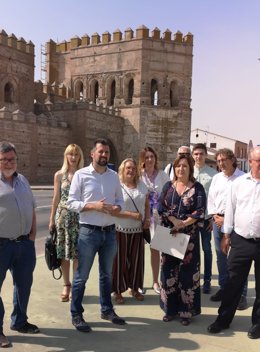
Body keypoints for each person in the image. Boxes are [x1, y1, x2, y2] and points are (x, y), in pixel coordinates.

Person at [67, 138, 125, 332]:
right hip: (88, 232)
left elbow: (120, 201)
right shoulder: (81, 175)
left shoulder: (114, 176)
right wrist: (93, 206)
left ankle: (107, 310)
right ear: (92, 154)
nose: (104, 155)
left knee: (106, 275)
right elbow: (71, 203)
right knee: (81, 276)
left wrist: (117, 208)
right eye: (100, 152)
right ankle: (76, 314)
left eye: (106, 152)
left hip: (109, 233)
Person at [208, 146, 260, 339]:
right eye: (258, 161)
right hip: (241, 240)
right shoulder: (239, 184)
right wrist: (227, 235)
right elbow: (230, 210)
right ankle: (223, 319)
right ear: (250, 161)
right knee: (232, 283)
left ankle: (257, 324)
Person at [158, 154, 206, 325]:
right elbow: (160, 206)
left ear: (190, 169)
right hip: (170, 234)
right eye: (178, 166)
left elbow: (200, 211)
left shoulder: (197, 188)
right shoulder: (168, 186)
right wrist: (173, 221)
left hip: (189, 238)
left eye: (185, 166)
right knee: (168, 272)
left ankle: (186, 312)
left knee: (187, 275)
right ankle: (170, 310)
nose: (181, 169)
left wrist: (183, 223)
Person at [0, 141, 39, 348]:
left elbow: (31, 207)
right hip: (2, 245)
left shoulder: (22, 180)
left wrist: (32, 234)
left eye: (12, 159)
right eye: (4, 159)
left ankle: (19, 321)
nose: (8, 163)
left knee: (23, 286)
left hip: (24, 245)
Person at [207, 148, 248, 310]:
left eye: (224, 160)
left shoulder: (243, 179)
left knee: (239, 261)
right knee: (221, 257)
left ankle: (241, 295)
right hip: (218, 222)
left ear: (232, 160)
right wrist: (214, 216)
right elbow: (211, 199)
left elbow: (245, 204)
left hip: (236, 224)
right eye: (218, 161)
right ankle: (224, 289)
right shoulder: (217, 178)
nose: (221, 163)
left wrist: (228, 219)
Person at [49, 144, 84, 302]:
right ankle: (67, 284)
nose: (73, 157)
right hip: (62, 218)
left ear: (80, 157)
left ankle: (75, 287)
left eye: (76, 154)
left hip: (78, 219)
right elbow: (56, 198)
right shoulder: (59, 175)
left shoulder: (83, 175)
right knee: (63, 252)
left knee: (76, 253)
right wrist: (51, 220)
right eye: (70, 154)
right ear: (66, 156)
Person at [112, 158, 150, 304]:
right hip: (120, 229)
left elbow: (147, 205)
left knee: (136, 261)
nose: (131, 170)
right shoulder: (117, 186)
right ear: (122, 169)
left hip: (138, 230)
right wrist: (131, 215)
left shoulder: (142, 185)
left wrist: (147, 219)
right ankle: (117, 291)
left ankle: (134, 288)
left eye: (133, 168)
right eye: (128, 168)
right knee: (119, 261)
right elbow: (113, 210)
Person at [139, 146, 170, 294]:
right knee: (138, 251)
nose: (150, 159)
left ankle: (156, 282)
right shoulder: (139, 176)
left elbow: (170, 194)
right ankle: (138, 282)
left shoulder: (163, 175)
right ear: (143, 160)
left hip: (158, 218)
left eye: (152, 156)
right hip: (141, 217)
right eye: (147, 157)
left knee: (156, 250)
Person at [192, 143, 217, 294]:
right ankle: (193, 279)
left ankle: (207, 280)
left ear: (206, 155)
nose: (198, 156)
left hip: (207, 218)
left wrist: (213, 218)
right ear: (192, 155)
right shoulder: (188, 172)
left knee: (207, 250)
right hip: (192, 218)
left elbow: (216, 197)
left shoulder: (213, 175)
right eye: (196, 154)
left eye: (201, 154)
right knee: (192, 250)